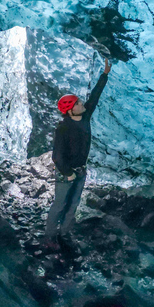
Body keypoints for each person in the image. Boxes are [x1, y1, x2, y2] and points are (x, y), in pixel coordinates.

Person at [44, 57, 112, 250]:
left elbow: (95, 97)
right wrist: (68, 173)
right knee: (59, 205)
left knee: (73, 204)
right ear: (70, 109)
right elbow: (57, 156)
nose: (82, 104)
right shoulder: (63, 128)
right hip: (68, 173)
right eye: (78, 103)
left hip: (81, 171)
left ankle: (64, 234)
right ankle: (49, 237)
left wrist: (104, 75)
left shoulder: (84, 116)